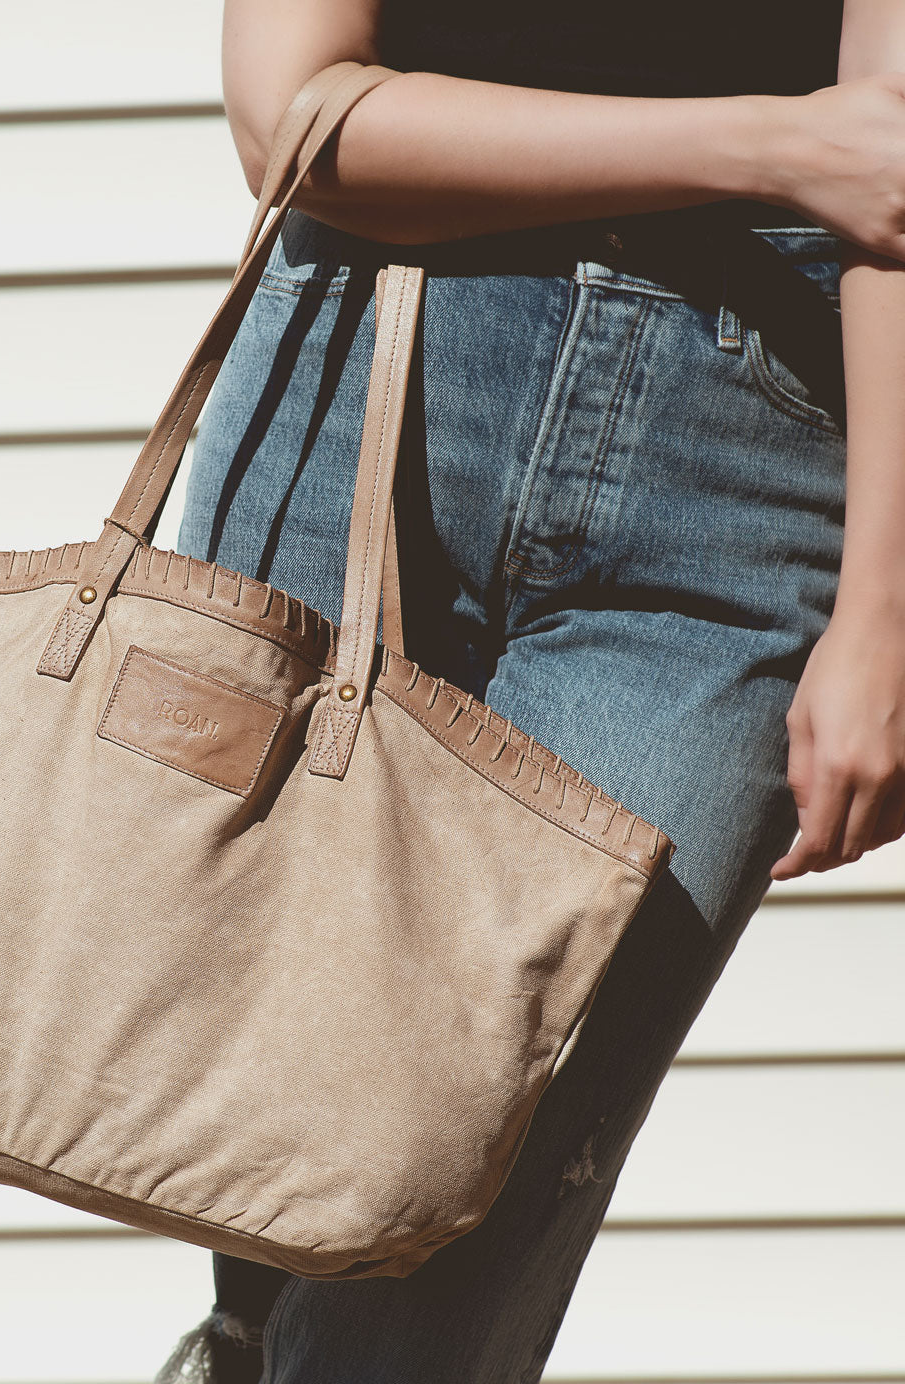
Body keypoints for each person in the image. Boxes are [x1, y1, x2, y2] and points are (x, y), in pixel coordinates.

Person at [156, 2, 905, 1380]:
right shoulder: (778, 139)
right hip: (370, 390)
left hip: (744, 463)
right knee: (268, 1128)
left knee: (487, 1172)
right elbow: (290, 115)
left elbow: (896, 165)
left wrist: (887, 609)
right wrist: (774, 145)